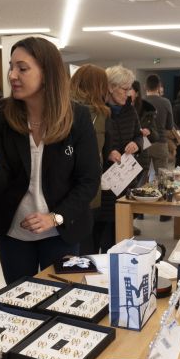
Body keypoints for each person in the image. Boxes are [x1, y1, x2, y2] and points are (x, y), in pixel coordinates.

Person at [0, 37, 100, 281]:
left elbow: (88, 181)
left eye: (22, 68)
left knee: (60, 301)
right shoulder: (0, 115)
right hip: (13, 233)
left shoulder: (77, 117)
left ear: (47, 73)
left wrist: (55, 217)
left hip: (61, 232)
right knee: (19, 303)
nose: (12, 75)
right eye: (11, 67)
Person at [93, 64, 143, 253]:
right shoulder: (98, 111)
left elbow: (140, 136)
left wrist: (136, 144)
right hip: (103, 182)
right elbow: (91, 144)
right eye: (124, 88)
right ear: (111, 87)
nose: (128, 93)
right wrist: (107, 152)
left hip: (125, 180)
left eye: (130, 88)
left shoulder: (130, 110)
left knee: (118, 237)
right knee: (98, 234)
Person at [70, 64, 109, 255]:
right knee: (88, 245)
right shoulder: (101, 113)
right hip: (89, 185)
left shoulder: (62, 109)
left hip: (67, 187)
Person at [142, 74, 175, 175]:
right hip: (160, 142)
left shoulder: (140, 102)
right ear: (159, 87)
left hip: (143, 143)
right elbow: (170, 126)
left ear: (145, 87)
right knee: (162, 177)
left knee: (142, 177)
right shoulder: (165, 102)